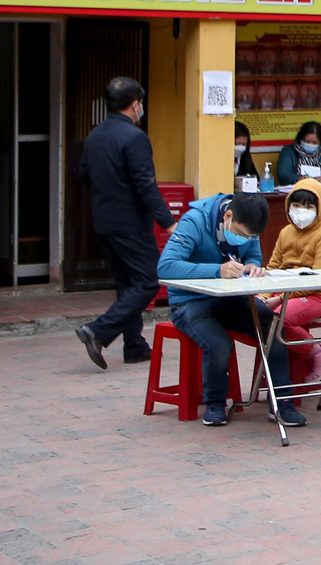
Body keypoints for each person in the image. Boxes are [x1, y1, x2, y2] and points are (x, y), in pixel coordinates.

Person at [158, 190, 304, 427]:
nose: (245, 240)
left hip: (233, 298)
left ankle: (282, 401)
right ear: (227, 216)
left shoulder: (248, 227)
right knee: (218, 344)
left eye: (251, 236)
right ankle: (215, 402)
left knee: (273, 327)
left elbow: (254, 257)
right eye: (241, 234)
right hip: (191, 302)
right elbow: (166, 267)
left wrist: (254, 267)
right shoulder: (194, 221)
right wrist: (217, 270)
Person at [73, 76, 175, 369]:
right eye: (140, 103)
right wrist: (167, 222)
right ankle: (99, 330)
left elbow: (82, 175)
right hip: (131, 223)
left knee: (127, 284)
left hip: (104, 222)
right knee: (148, 280)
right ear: (135, 104)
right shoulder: (134, 138)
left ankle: (135, 345)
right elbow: (146, 185)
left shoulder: (95, 136)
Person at [263, 178, 321, 384]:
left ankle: (316, 349)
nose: (300, 210)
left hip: (316, 295)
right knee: (251, 312)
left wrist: (279, 300)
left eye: (308, 206)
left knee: (278, 320)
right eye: (296, 205)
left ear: (320, 208)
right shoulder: (285, 232)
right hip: (282, 293)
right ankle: (273, 368)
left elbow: (317, 279)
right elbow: (273, 268)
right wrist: (263, 296)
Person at [274, 120, 321, 187]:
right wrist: (299, 178)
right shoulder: (288, 151)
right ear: (301, 138)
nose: (310, 144)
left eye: (314, 142)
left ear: (320, 142)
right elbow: (283, 175)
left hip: (320, 191)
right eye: (307, 141)